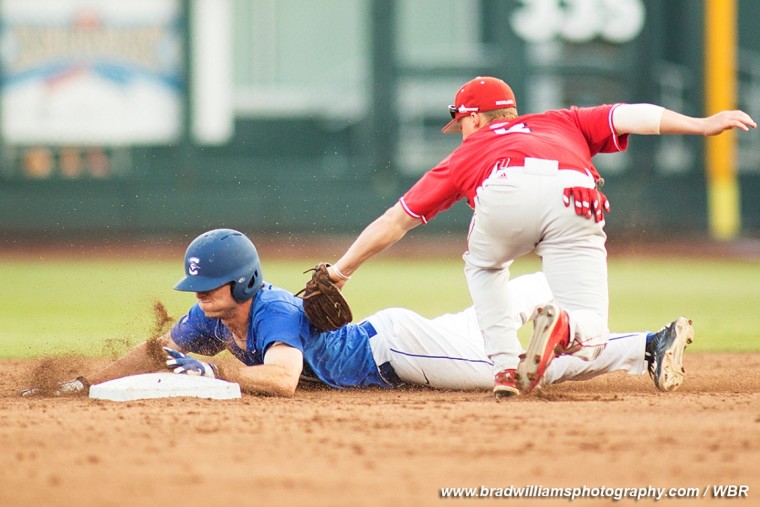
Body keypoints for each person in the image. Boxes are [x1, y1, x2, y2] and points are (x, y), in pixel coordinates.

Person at [314, 76, 755, 398]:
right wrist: (701, 124)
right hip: (576, 193)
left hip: (505, 187)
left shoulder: (469, 151)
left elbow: (396, 221)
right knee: (592, 328)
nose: (460, 133)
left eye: (461, 123)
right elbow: (628, 114)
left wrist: (340, 271)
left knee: (485, 266)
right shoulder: (562, 120)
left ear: (473, 117)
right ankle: (564, 327)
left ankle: (506, 367)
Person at [21, 228, 694, 397]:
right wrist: (97, 379)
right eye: (197, 291)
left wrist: (209, 371)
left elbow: (282, 381)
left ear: (244, 284)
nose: (199, 300)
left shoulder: (274, 313)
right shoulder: (216, 316)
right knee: (478, 326)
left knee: (518, 373)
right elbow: (158, 349)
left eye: (210, 289)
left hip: (394, 352)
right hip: (400, 337)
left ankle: (639, 345)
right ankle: (551, 295)